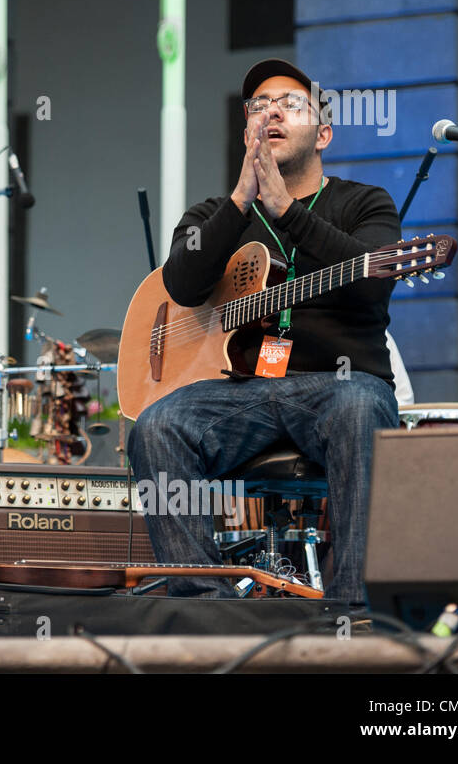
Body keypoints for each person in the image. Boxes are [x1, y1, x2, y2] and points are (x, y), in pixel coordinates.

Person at [125, 58, 401, 604]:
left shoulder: (366, 202)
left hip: (337, 386)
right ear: (247, 131)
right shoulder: (214, 213)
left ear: (323, 133)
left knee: (360, 405)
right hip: (240, 391)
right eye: (258, 106)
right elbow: (180, 284)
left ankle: (352, 614)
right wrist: (241, 202)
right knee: (156, 427)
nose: (271, 111)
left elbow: (374, 282)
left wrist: (287, 211)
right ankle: (205, 608)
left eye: (290, 104)